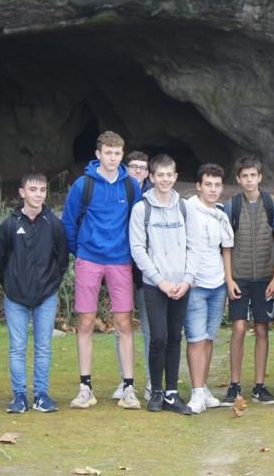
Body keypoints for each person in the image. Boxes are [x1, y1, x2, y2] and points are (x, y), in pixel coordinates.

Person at [61, 131, 142, 410]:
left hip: (120, 260)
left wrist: (130, 255)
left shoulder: (131, 186)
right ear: (98, 154)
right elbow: (69, 224)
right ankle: (85, 387)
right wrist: (82, 251)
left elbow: (138, 224)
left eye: (117, 153)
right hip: (90, 260)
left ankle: (128, 388)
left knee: (124, 323)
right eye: (108, 152)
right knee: (85, 322)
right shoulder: (83, 185)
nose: (112, 157)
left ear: (122, 155)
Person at [0, 172, 68, 414]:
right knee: (17, 347)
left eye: (42, 190)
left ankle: (41, 395)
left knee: (43, 346)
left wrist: (50, 285)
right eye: (33, 189)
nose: (38, 194)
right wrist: (11, 284)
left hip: (45, 295)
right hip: (16, 296)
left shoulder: (54, 224)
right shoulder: (10, 225)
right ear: (22, 192)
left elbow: (62, 259)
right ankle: (19, 396)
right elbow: (0, 259)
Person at [129, 154, 194, 415]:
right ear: (151, 177)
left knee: (175, 339)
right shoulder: (141, 209)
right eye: (160, 175)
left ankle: (171, 393)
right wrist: (160, 281)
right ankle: (156, 392)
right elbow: (137, 248)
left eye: (170, 175)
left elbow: (194, 245)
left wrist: (187, 280)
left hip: (181, 285)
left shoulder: (184, 208)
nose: (165, 179)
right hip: (155, 285)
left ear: (175, 177)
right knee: (158, 337)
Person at [222, 155, 274, 405]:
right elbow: (226, 245)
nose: (249, 180)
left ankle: (259, 385)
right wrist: (228, 279)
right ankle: (234, 385)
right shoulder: (232, 205)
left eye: (253, 175)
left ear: (260, 177)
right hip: (240, 277)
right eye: (244, 176)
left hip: (265, 277)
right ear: (238, 179)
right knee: (237, 328)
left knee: (261, 329)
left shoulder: (271, 203)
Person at [184, 162, 234, 414]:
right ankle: (195, 393)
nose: (213, 190)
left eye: (217, 185)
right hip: (194, 284)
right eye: (208, 185)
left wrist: (228, 280)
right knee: (195, 338)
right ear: (198, 186)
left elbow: (225, 249)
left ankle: (203, 388)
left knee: (209, 339)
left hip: (217, 285)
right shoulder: (187, 209)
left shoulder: (221, 214)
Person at [113, 149, 152, 402]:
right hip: (121, 266)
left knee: (150, 328)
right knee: (122, 326)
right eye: (134, 166)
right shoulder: (118, 191)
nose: (138, 171)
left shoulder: (152, 197)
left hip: (147, 272)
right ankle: (125, 380)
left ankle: (152, 380)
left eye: (142, 167)